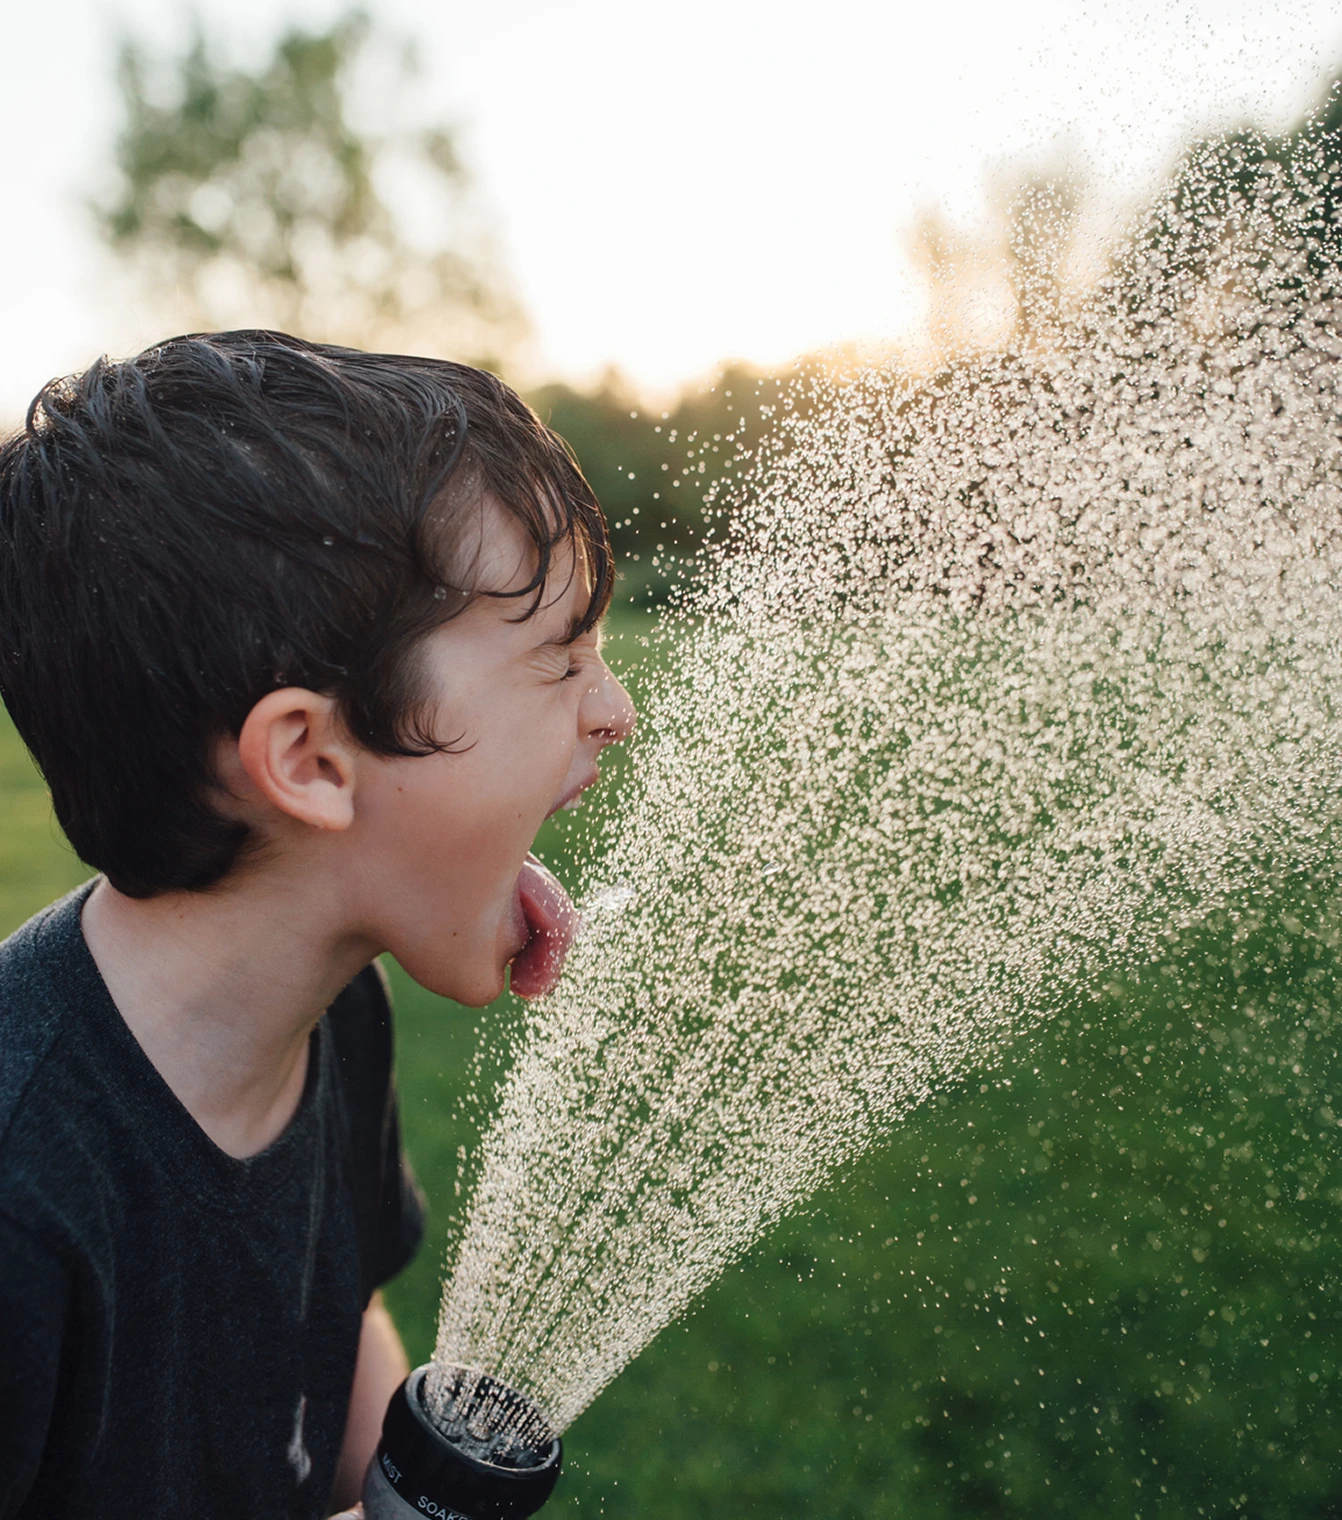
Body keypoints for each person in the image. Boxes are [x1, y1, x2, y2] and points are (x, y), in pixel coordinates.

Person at [0, 331, 636, 1519]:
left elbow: (339, 1322)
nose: (616, 711)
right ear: (310, 758)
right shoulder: (23, 1194)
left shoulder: (335, 1008)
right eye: (560, 662)